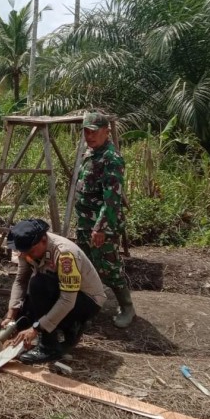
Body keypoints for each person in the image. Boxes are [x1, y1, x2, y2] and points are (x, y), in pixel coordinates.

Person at [2, 219, 106, 364]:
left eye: (31, 251)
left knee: (38, 285)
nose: (28, 255)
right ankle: (70, 328)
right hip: (62, 293)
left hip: (85, 301)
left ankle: (49, 347)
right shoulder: (28, 249)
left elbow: (67, 300)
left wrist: (36, 329)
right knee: (23, 316)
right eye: (25, 252)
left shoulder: (65, 254)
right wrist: (11, 315)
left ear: (44, 240)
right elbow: (21, 280)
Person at [75, 111, 134, 328]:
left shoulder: (111, 158)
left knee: (109, 266)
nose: (89, 136)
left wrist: (100, 228)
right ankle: (88, 306)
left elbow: (112, 198)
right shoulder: (91, 153)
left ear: (106, 132)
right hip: (84, 222)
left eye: (93, 132)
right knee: (85, 266)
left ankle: (127, 308)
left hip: (101, 226)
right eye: (86, 131)